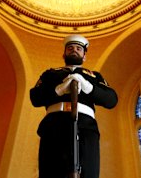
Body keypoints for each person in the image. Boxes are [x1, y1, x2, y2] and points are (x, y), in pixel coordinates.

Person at [30, 34, 118, 178]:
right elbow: (35, 97)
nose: (74, 50)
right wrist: (58, 90)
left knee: (88, 172)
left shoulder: (94, 76)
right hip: (54, 125)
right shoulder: (50, 74)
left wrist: (88, 87)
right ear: (63, 54)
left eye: (78, 48)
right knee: (50, 172)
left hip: (86, 126)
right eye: (70, 48)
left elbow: (111, 99)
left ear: (84, 56)